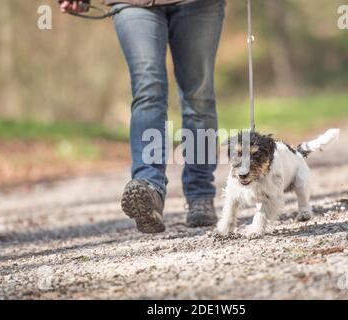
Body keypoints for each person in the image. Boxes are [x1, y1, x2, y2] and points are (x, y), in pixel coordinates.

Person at [59, 0, 225, 233]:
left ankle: (200, 194)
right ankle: (150, 189)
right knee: (148, 88)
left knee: (198, 95)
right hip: (133, 3)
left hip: (198, 4)